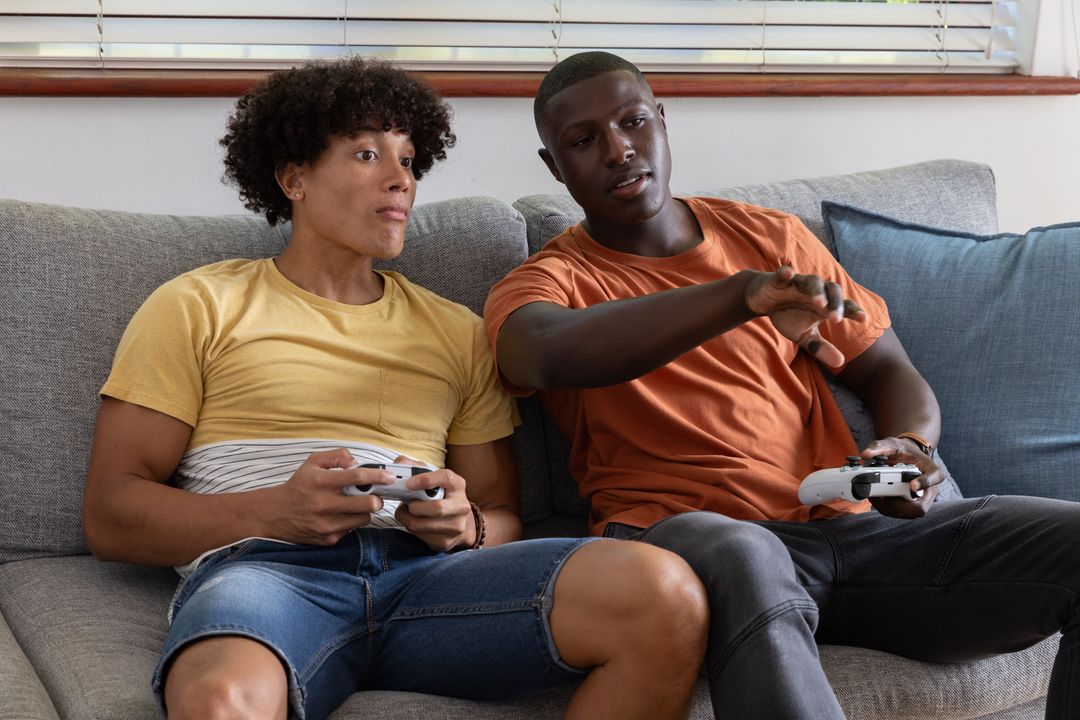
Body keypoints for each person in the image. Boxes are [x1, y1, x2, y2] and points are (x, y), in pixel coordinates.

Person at [82, 56, 709, 720]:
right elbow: (111, 515)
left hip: (434, 580)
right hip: (270, 574)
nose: (400, 179)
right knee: (219, 701)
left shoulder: (456, 331)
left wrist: (461, 526)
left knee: (664, 593)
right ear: (292, 177)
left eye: (409, 160)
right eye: (365, 154)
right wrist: (277, 512)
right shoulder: (198, 305)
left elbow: (500, 514)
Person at [485, 51, 1080, 720]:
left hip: (850, 531)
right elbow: (544, 354)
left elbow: (888, 369)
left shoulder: (771, 236)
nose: (619, 149)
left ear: (663, 121)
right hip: (687, 543)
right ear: (553, 165)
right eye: (584, 140)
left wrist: (910, 447)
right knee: (742, 549)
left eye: (633, 121)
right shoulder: (547, 281)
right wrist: (739, 296)